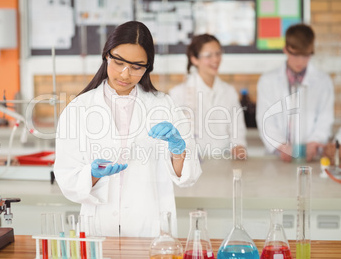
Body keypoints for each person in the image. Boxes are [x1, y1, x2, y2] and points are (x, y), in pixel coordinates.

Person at [54, 21, 201, 238]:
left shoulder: (164, 106)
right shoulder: (79, 108)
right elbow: (67, 178)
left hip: (151, 226)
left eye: (136, 67)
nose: (125, 74)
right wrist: (91, 175)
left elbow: (189, 176)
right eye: (119, 62)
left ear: (148, 67)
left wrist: (177, 150)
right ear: (106, 56)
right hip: (99, 226)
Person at [256, 23, 334, 162]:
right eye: (296, 54)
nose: (300, 61)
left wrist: (313, 143)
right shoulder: (267, 81)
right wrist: (281, 147)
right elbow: (265, 119)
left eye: (306, 55)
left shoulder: (323, 81)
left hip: (311, 156)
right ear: (285, 49)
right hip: (278, 158)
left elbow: (325, 118)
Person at [169, 34, 247, 160]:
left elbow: (238, 132)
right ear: (194, 59)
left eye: (218, 53)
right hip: (193, 165)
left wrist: (239, 146)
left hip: (224, 164)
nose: (215, 60)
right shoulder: (178, 94)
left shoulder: (229, 91)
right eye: (208, 55)